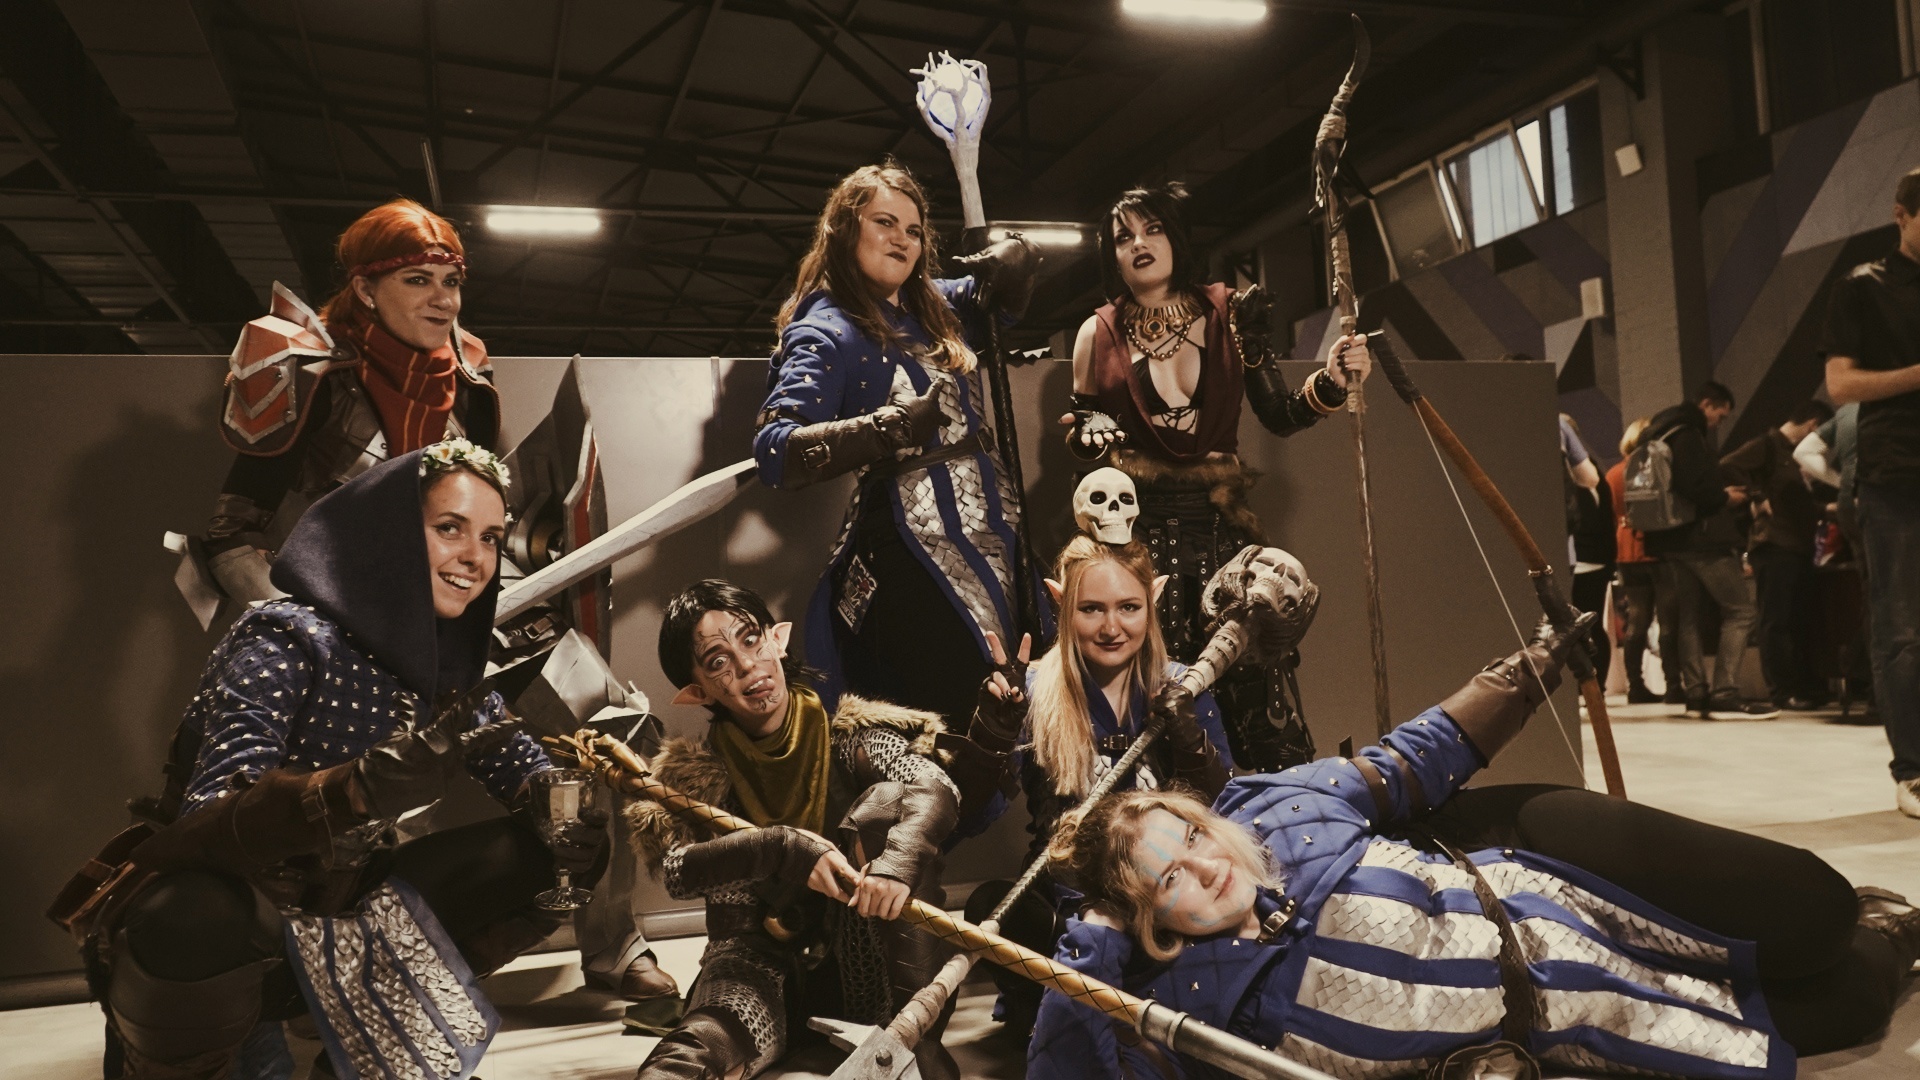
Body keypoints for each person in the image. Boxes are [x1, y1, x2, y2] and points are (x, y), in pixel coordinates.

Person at [1029, 603, 1920, 1080]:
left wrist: (1533, 667)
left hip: (1554, 877)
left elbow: (1413, 759)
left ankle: (1864, 913)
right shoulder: (1199, 1018)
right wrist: (1093, 941)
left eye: (1192, 835)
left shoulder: (1273, 818)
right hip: (1570, 1014)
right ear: (1152, 922)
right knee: (1842, 1004)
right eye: (1170, 880)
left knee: (1813, 912)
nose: (1205, 864)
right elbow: (1071, 1062)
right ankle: (1900, 935)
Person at [62, 442, 590, 1080]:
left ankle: (363, 1034)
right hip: (235, 927)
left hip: (343, 916)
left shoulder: (445, 668)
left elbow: (527, 770)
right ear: (390, 532)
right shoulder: (285, 635)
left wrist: (573, 806)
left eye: (490, 537)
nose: (475, 557)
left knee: (554, 847)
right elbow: (211, 818)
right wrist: (351, 790)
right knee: (198, 914)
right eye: (449, 528)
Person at [1059, 183, 1372, 772]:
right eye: (1124, 237)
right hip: (1136, 541)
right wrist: (1088, 434)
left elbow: (1279, 413)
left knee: (1259, 696)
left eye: (1152, 229)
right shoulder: (1095, 333)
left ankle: (1285, 815)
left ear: (1176, 237)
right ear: (1112, 256)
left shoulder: (1230, 314)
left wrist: (1333, 380)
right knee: (1155, 701)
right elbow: (1085, 437)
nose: (1139, 244)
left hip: (1224, 538)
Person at [622, 579, 972, 1080]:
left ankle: (918, 1051)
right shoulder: (698, 779)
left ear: (778, 639)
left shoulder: (853, 739)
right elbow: (677, 870)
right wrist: (777, 848)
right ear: (696, 691)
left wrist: (895, 864)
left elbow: (935, 786)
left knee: (886, 804)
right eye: (718, 661)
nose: (748, 666)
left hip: (872, 966)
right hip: (754, 963)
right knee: (689, 1056)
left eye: (751, 640)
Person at [752, 161, 1038, 734]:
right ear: (844, 230)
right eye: (884, 223)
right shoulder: (825, 329)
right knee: (955, 703)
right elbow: (776, 451)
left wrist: (1020, 256)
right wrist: (891, 427)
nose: (902, 240)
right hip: (910, 549)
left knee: (1029, 688)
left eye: (913, 230)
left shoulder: (934, 305)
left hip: (996, 525)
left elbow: (1001, 300)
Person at [944, 533, 1256, 1028]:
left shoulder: (1184, 686)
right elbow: (969, 819)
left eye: (1129, 607)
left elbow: (1231, 815)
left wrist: (1189, 740)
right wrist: (991, 737)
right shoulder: (1030, 693)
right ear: (1059, 601)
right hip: (1073, 901)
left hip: (1169, 897)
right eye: (1091, 609)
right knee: (996, 910)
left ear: (1153, 599)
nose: (1112, 627)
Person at [202, 199, 500, 604]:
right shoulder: (313, 373)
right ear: (365, 289)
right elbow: (231, 533)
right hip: (327, 600)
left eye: (451, 281)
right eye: (417, 280)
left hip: (440, 602)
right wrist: (298, 623)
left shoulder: (468, 376)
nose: (443, 300)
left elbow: (480, 521)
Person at [1822, 165, 1920, 817]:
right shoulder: (1863, 286)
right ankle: (1913, 770)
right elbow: (1841, 385)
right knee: (1902, 628)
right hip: (1897, 473)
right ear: (1900, 216)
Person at [1639, 381, 1778, 719]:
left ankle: (1696, 693)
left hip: (1669, 540)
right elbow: (1694, 485)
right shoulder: (1687, 434)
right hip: (1700, 539)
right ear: (1706, 404)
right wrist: (1724, 497)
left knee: (1688, 616)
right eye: (1720, 415)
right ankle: (1725, 691)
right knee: (1741, 611)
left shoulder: (1658, 432)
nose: (1719, 423)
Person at [1722, 400, 1835, 710]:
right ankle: (1782, 691)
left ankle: (1804, 686)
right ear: (1813, 425)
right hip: (1774, 544)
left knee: (1798, 620)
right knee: (1776, 620)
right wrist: (1756, 496)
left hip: (1797, 545)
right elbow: (1727, 465)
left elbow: (1795, 503)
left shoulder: (1792, 456)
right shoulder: (1767, 446)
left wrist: (1827, 509)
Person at [1608, 418, 1665, 704]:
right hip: (1655, 547)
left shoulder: (1613, 474)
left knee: (1637, 620)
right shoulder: (1654, 470)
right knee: (1668, 618)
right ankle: (1675, 683)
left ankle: (1636, 685)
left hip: (1625, 550)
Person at [1562, 414, 1614, 688]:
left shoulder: (1582, 476)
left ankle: (1595, 687)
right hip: (1587, 558)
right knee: (1584, 625)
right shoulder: (1584, 474)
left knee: (1587, 625)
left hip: (1588, 560)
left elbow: (1590, 520)